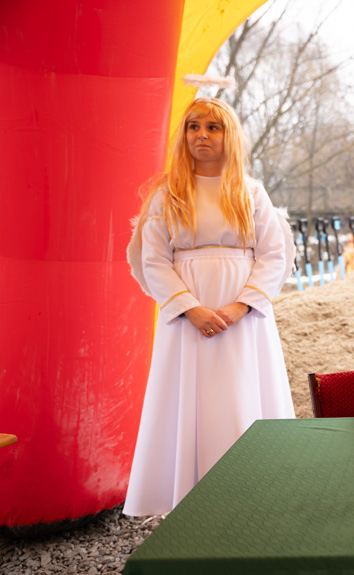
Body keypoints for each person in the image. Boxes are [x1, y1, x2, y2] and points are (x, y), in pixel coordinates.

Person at [124, 97, 296, 515]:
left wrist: (241, 306)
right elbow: (154, 260)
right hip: (188, 321)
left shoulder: (251, 192)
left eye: (213, 127)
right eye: (194, 126)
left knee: (241, 396)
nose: (202, 134)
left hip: (243, 321)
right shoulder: (168, 194)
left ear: (229, 135)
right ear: (183, 136)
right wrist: (191, 308)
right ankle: (191, 501)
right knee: (192, 402)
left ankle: (252, 497)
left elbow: (275, 254)